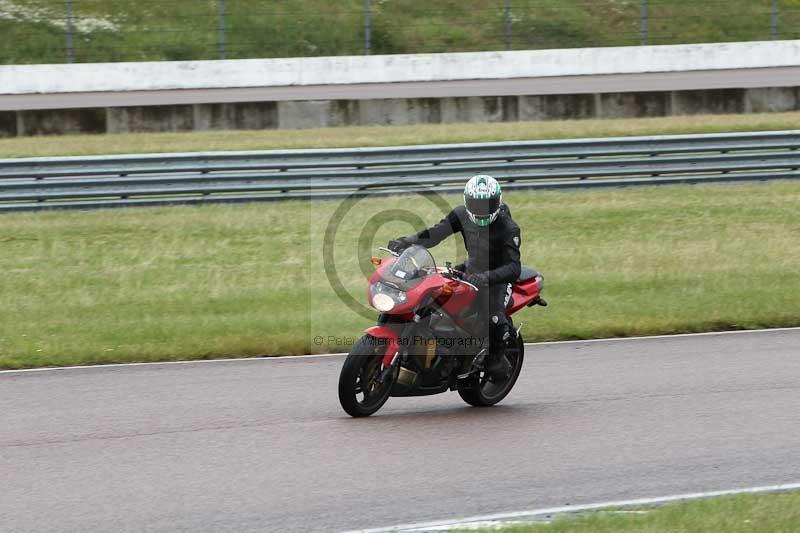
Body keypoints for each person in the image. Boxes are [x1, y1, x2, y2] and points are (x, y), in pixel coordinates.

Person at [387, 174, 521, 380]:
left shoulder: (508, 228)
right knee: (430, 296)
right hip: (470, 269)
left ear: (498, 201)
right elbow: (434, 234)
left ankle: (497, 359)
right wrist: (407, 242)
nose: (481, 209)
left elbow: (513, 267)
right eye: (476, 203)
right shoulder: (461, 214)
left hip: (498, 279)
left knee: (494, 319)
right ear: (467, 201)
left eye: (487, 204)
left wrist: (486, 277)